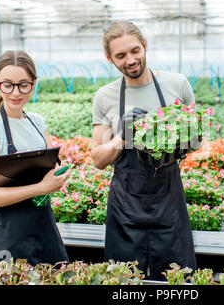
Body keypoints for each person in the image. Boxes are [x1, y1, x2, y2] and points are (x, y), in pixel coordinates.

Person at [91, 21, 197, 280]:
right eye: (120, 55)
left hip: (168, 202)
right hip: (125, 208)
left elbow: (195, 139)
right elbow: (97, 158)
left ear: (145, 45)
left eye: (135, 50)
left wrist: (180, 142)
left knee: (176, 281)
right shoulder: (105, 96)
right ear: (109, 58)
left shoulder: (178, 84)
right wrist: (121, 138)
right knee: (123, 280)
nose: (130, 60)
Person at [0, 50, 70, 266]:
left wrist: (57, 176)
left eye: (23, 85)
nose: (16, 93)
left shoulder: (37, 122)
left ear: (33, 84)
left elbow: (48, 172)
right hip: (9, 233)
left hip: (44, 225)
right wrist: (41, 188)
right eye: (8, 84)